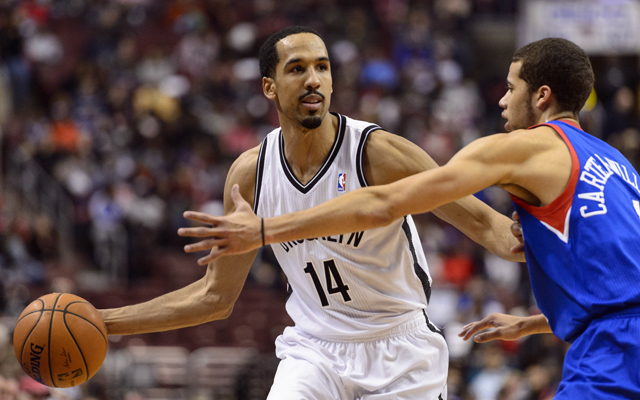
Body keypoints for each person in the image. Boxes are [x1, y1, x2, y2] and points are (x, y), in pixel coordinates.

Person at [184, 37, 640, 399]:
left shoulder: (523, 147)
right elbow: (621, 282)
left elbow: (386, 203)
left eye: (510, 88)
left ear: (541, 96)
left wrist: (263, 231)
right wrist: (538, 321)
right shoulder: (617, 164)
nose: (502, 101)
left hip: (611, 352)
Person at [100, 26, 524, 400]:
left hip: (399, 347)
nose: (313, 79)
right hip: (315, 349)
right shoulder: (250, 175)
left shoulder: (378, 154)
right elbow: (215, 297)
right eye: (297, 68)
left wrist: (549, 238)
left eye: (322, 67)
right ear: (269, 87)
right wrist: (104, 322)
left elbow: (486, 224)